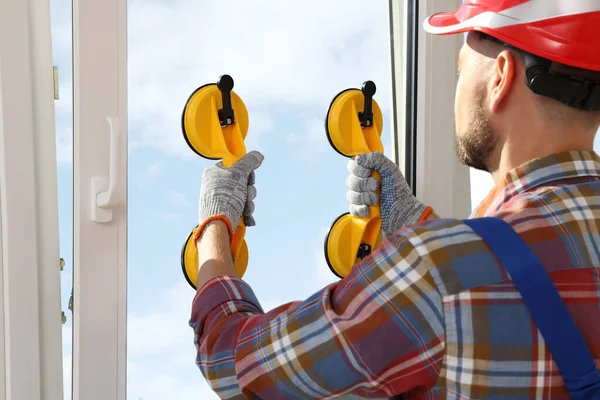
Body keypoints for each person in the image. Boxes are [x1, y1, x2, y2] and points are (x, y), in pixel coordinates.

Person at [189, 1, 600, 398]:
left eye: (459, 69)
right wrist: (414, 218)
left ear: (500, 78)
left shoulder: (432, 272)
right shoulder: (446, 270)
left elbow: (233, 363)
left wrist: (216, 223)